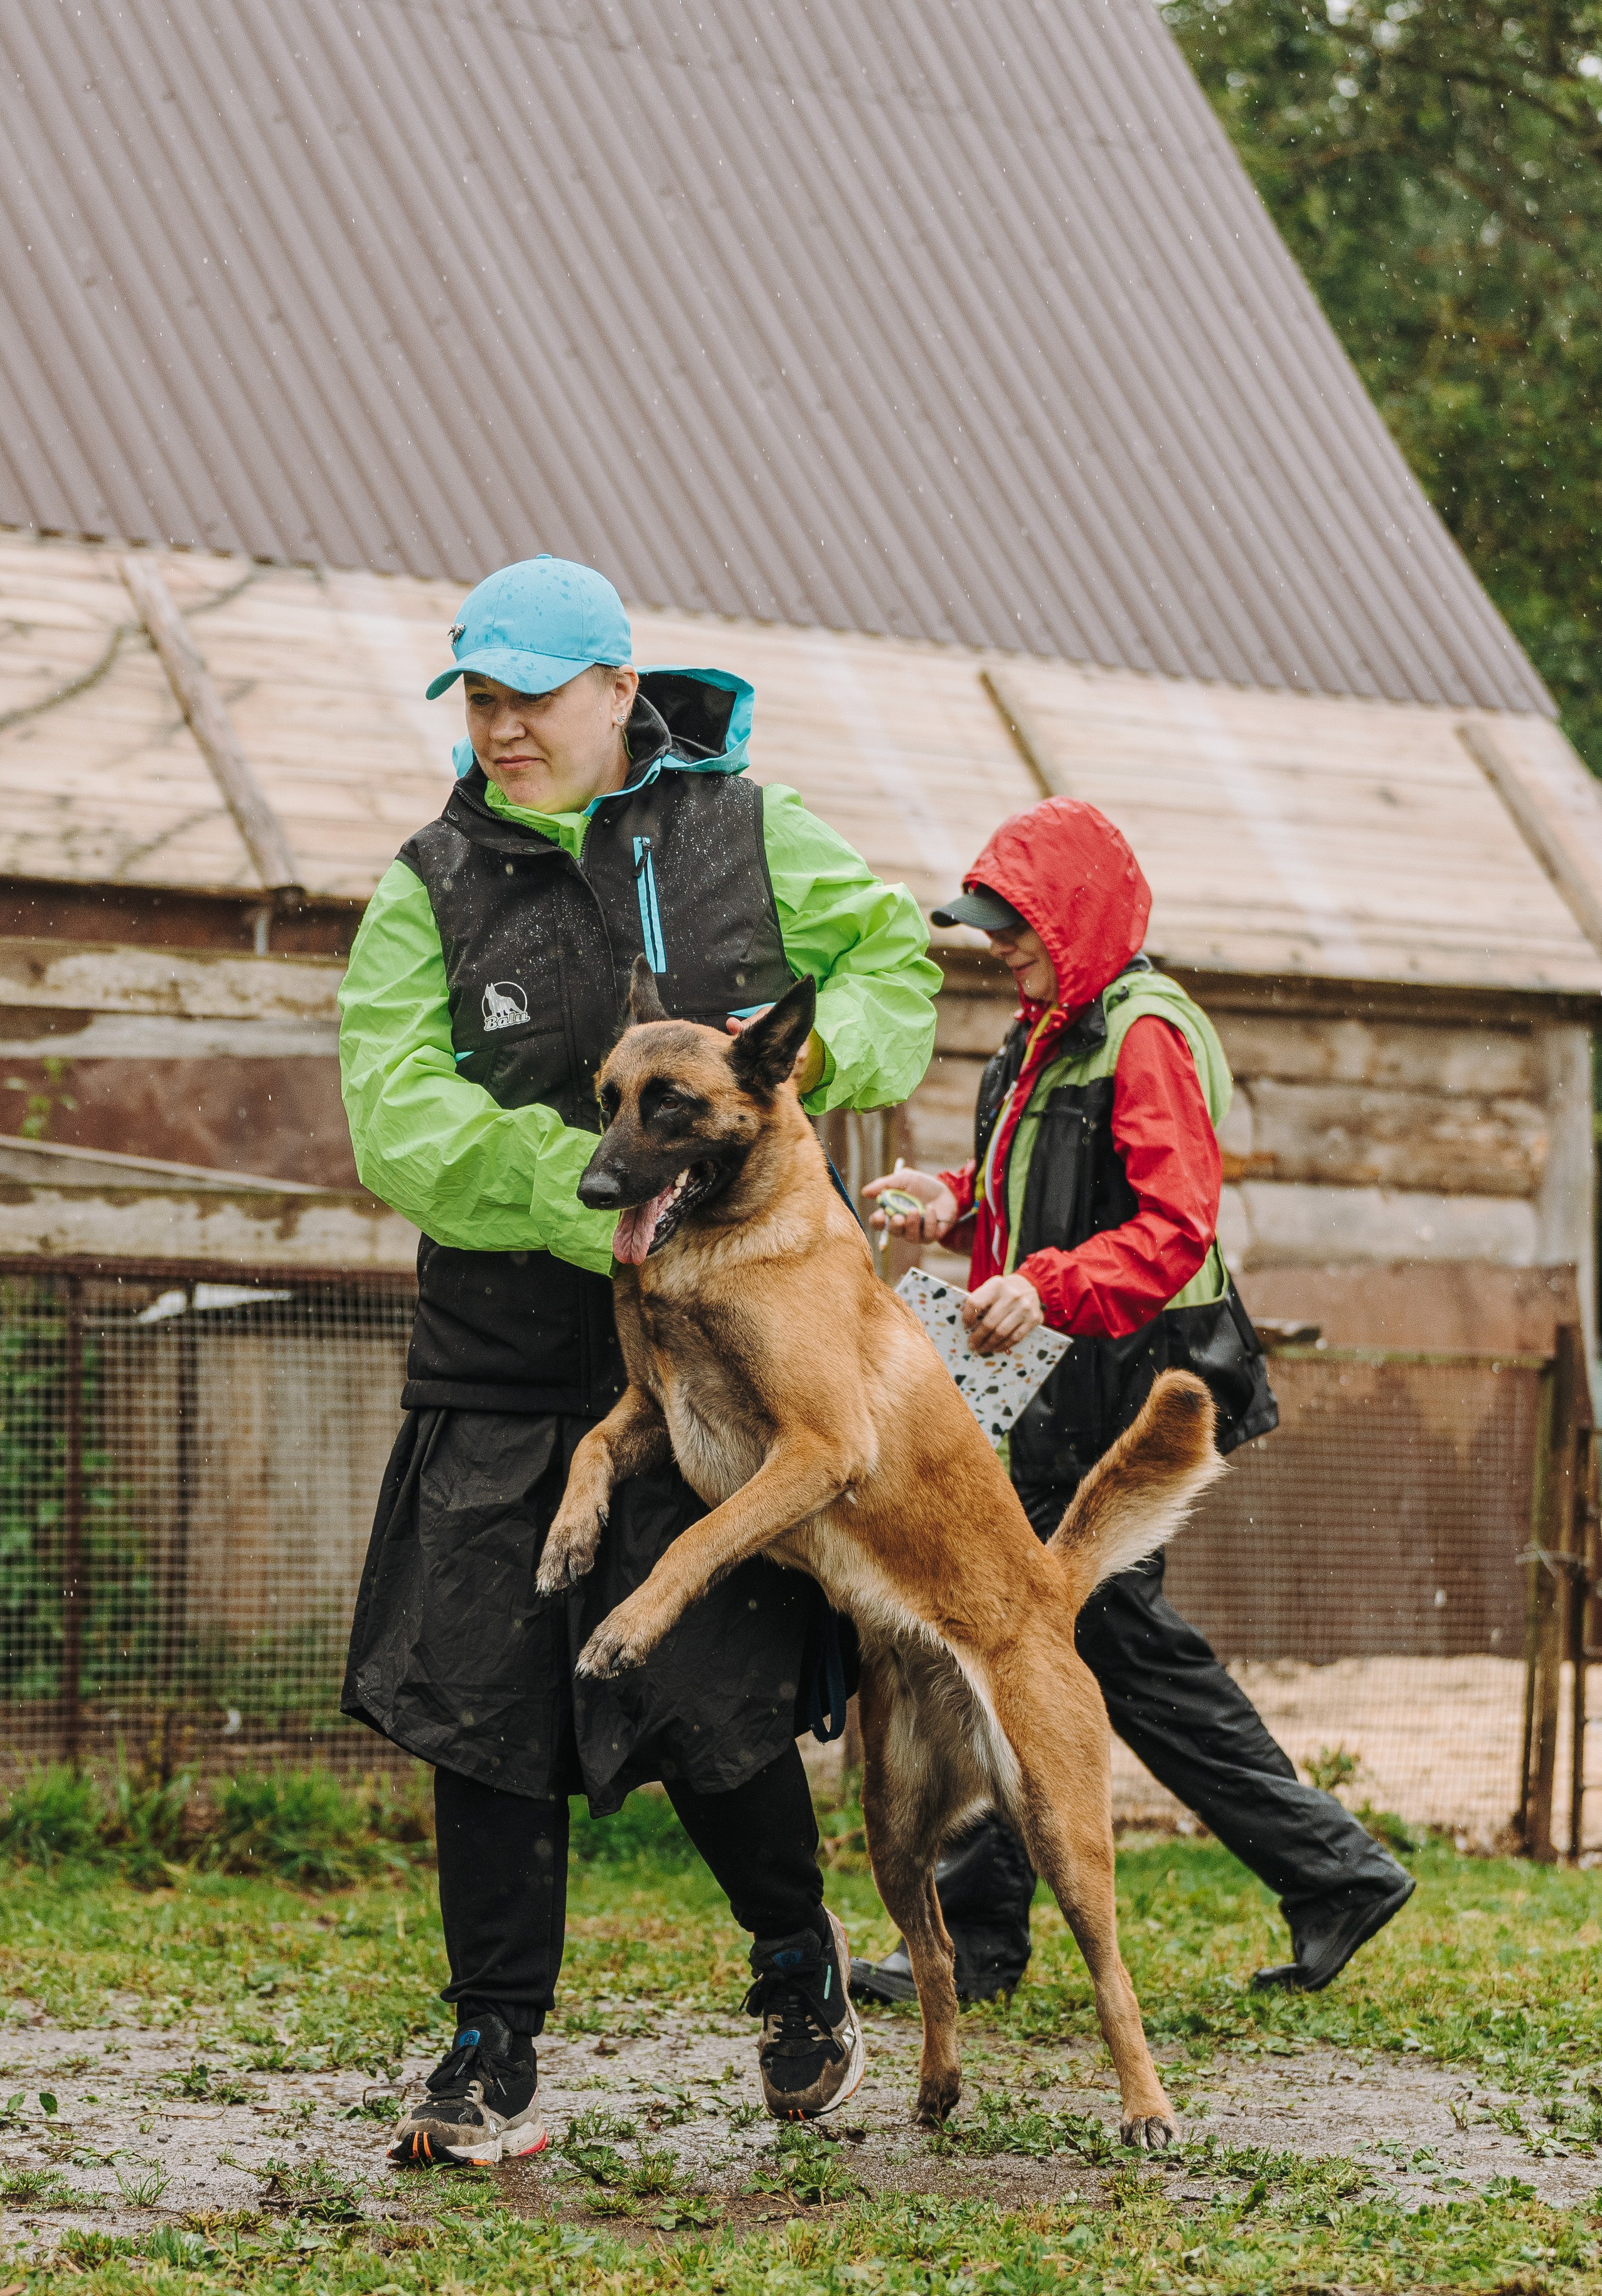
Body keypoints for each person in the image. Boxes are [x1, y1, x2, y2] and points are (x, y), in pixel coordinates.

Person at [338, 555, 939, 2163]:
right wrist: (600, 1187)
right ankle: (490, 2043)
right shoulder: (430, 879)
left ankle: (794, 1962)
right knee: (484, 1703)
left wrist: (791, 1074)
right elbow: (391, 1107)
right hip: (502, 1352)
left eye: (531, 695)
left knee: (714, 1696)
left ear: (619, 691)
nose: (502, 725)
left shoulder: (748, 831)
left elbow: (894, 964)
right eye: (478, 695)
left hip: (721, 1369)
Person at [855, 797, 1413, 2007]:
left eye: (1014, 926)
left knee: (1049, 1630)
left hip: (1131, 1368)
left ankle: (1320, 1870)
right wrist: (951, 1201)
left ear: (1076, 917)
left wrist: (1045, 1284)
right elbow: (1034, 1186)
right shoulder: (1043, 1030)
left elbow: (1174, 1228)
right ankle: (1324, 1872)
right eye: (987, 926)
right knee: (1047, 1628)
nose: (996, 945)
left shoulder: (1142, 1032)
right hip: (1064, 1364)